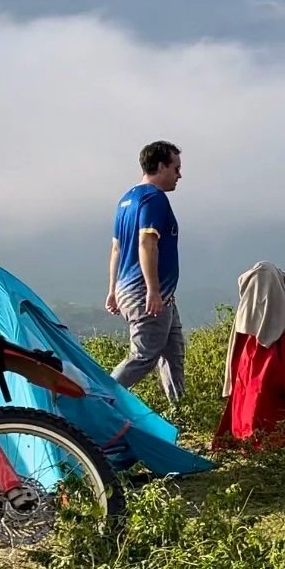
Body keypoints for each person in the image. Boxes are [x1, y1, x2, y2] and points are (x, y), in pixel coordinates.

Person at [106, 140, 185, 407]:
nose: (179, 175)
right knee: (144, 355)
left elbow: (116, 249)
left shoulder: (126, 200)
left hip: (146, 292)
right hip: (147, 292)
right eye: (176, 168)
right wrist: (152, 290)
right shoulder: (154, 198)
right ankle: (99, 400)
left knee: (173, 352)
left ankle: (181, 412)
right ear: (161, 166)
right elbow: (146, 242)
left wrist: (112, 290)